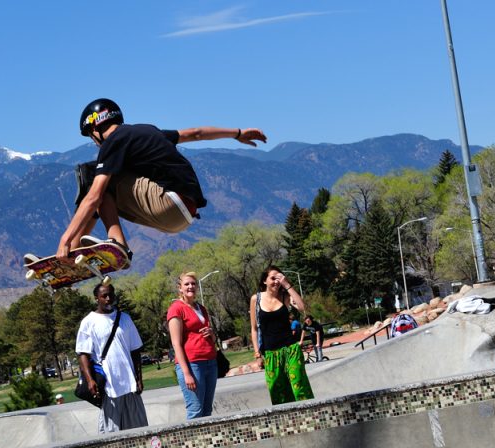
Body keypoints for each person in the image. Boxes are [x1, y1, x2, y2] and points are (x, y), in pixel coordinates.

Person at [58, 99, 267, 261]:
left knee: (92, 177)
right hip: (184, 214)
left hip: (169, 203)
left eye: (90, 136)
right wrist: (237, 133)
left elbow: (94, 197)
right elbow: (196, 134)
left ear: (95, 128)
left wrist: (65, 239)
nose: (95, 143)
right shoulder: (148, 131)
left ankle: (103, 244)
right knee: (104, 184)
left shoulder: (114, 140)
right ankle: (76, 253)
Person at [75, 282, 148, 433]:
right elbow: (83, 354)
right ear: (96, 298)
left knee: (139, 431)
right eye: (104, 296)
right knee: (111, 434)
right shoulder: (88, 322)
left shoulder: (125, 319)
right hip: (109, 387)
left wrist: (139, 378)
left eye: (111, 295)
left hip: (130, 386)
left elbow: (135, 351)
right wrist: (90, 380)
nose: (108, 298)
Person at [250, 265, 314, 405]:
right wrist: (257, 354)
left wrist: (287, 284)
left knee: (299, 388)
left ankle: (309, 414)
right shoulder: (256, 299)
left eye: (279, 278)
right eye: (273, 278)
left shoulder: (285, 296)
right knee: (278, 394)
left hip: (291, 350)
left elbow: (302, 307)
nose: (276, 282)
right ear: (264, 281)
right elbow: (254, 329)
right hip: (271, 354)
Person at [167, 272, 218, 419]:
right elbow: (176, 343)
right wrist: (186, 373)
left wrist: (211, 333)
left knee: (207, 410)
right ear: (180, 288)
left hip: (210, 362)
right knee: (196, 410)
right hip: (192, 365)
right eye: (187, 284)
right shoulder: (176, 309)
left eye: (193, 284)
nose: (191, 286)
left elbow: (212, 338)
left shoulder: (201, 308)